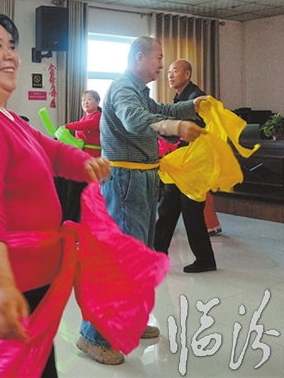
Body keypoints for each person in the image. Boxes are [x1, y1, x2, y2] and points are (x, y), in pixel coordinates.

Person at [0, 13, 109, 378]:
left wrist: (84, 164)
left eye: (12, 46)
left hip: (25, 282)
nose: (11, 55)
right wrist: (1, 288)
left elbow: (50, 150)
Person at [77, 37, 205, 365]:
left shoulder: (139, 90)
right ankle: (93, 336)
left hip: (142, 178)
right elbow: (135, 120)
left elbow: (159, 110)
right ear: (139, 58)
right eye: (158, 58)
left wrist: (193, 106)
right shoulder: (123, 87)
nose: (162, 65)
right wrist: (175, 126)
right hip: (126, 180)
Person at [153, 59, 216, 273]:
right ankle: (157, 254)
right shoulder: (181, 97)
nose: (170, 75)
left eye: (175, 71)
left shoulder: (197, 98)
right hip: (181, 165)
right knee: (168, 208)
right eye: (168, 71)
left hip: (193, 165)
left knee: (191, 212)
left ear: (187, 74)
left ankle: (205, 260)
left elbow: (197, 131)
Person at [61, 90, 102, 222]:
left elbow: (86, 126)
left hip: (93, 161)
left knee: (88, 193)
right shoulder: (84, 118)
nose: (85, 102)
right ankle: (73, 220)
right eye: (83, 100)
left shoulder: (98, 117)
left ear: (97, 102)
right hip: (82, 160)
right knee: (75, 192)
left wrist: (67, 126)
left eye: (89, 99)